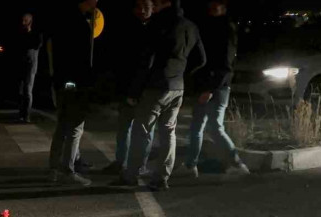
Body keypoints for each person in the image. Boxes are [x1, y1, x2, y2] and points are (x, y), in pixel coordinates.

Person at [113, 0, 206, 191]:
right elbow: (201, 59)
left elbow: (146, 59)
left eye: (156, 2)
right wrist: (181, 73)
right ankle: (162, 177)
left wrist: (134, 91)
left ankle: (132, 174)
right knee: (168, 132)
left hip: (155, 86)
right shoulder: (191, 26)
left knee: (143, 131)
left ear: (166, 3)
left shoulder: (159, 24)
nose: (153, 6)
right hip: (177, 86)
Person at [179, 0, 250, 177]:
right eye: (210, 6)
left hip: (216, 88)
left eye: (216, 6)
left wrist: (209, 89)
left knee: (213, 127)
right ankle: (190, 165)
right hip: (208, 85)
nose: (211, 9)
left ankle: (237, 164)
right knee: (198, 127)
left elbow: (225, 66)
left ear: (224, 7)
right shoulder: (212, 26)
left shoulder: (226, 30)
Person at [47, 0, 100, 187]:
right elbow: (82, 60)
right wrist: (88, 83)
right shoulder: (79, 24)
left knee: (62, 127)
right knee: (75, 129)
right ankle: (67, 171)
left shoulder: (60, 19)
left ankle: (54, 169)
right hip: (76, 85)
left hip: (62, 82)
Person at [101, 0, 155, 176]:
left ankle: (140, 165)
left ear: (153, 9)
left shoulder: (158, 29)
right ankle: (121, 162)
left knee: (143, 130)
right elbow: (120, 60)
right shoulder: (127, 29)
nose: (142, 11)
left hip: (147, 89)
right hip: (128, 87)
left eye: (146, 7)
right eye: (139, 7)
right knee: (124, 129)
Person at [17, 13, 43, 123]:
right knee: (21, 91)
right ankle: (21, 114)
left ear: (30, 21)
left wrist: (28, 32)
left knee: (27, 90)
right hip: (22, 64)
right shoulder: (21, 33)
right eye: (22, 20)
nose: (23, 23)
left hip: (31, 65)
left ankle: (26, 115)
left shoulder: (36, 34)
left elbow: (36, 45)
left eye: (25, 20)